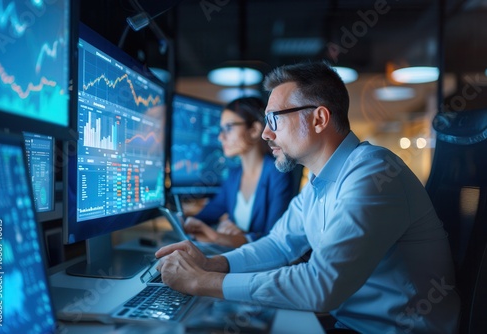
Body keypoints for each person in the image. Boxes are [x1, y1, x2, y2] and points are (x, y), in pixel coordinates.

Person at [156, 61, 460, 333]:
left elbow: (321, 284)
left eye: (274, 119)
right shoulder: (318, 181)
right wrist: (213, 264)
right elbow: (279, 244)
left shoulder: (373, 173)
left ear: (318, 119)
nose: (265, 134)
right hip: (348, 323)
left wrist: (203, 283)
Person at [183, 96, 295, 248]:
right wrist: (183, 219)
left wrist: (233, 238)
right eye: (221, 130)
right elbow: (210, 212)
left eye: (228, 128)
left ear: (254, 130)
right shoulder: (234, 175)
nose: (221, 137)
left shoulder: (277, 174)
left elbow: (276, 238)